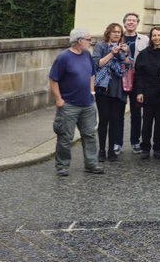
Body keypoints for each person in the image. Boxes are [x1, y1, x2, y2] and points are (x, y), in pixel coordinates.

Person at [49, 28, 103, 177]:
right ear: (79, 41)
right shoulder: (63, 58)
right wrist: (59, 99)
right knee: (65, 137)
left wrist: (92, 93)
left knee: (90, 135)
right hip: (69, 105)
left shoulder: (87, 54)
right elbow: (53, 80)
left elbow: (92, 74)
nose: (90, 42)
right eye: (88, 39)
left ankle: (91, 164)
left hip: (87, 104)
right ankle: (62, 166)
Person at [92, 23, 130, 162]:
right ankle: (101, 150)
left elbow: (127, 66)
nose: (116, 34)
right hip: (104, 88)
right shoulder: (101, 46)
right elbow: (97, 64)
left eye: (119, 32)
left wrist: (125, 53)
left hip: (119, 88)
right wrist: (111, 53)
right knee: (104, 120)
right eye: (114, 32)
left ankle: (111, 150)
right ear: (108, 33)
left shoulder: (123, 47)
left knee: (115, 121)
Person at [134, 26, 160, 159]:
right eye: (154, 35)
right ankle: (145, 147)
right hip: (147, 92)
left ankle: (158, 148)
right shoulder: (144, 54)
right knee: (147, 122)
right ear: (151, 37)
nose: (157, 38)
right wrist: (139, 92)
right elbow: (139, 75)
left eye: (159, 35)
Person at [121, 13, 150, 154]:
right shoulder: (118, 37)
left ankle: (135, 141)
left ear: (137, 23)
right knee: (118, 113)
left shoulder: (144, 39)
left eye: (134, 20)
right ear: (124, 23)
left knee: (136, 113)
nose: (131, 22)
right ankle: (117, 143)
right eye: (128, 20)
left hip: (137, 79)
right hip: (120, 79)